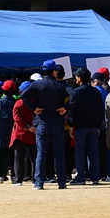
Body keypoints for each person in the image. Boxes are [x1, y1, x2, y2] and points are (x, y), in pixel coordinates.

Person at [21, 60, 70, 190]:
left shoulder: (37, 84)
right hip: (57, 122)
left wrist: (33, 108)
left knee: (41, 153)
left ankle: (39, 183)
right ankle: (61, 183)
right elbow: (74, 94)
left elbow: (24, 95)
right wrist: (65, 108)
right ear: (55, 71)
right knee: (59, 153)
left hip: (41, 121)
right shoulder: (61, 85)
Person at [67, 68, 106, 185]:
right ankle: (95, 177)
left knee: (80, 153)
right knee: (93, 153)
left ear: (79, 78)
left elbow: (72, 110)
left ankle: (81, 177)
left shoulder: (77, 92)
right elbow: (100, 110)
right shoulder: (96, 92)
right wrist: (99, 125)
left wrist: (71, 124)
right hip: (94, 127)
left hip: (81, 127)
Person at [0, 80, 18, 182]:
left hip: (1, 133)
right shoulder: (16, 103)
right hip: (14, 133)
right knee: (13, 155)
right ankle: (14, 176)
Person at [10, 81, 37, 185]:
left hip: (20, 133)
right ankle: (35, 178)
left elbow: (16, 118)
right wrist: (32, 127)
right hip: (33, 132)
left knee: (19, 158)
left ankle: (18, 179)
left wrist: (26, 127)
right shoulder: (35, 103)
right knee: (34, 157)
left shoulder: (19, 103)